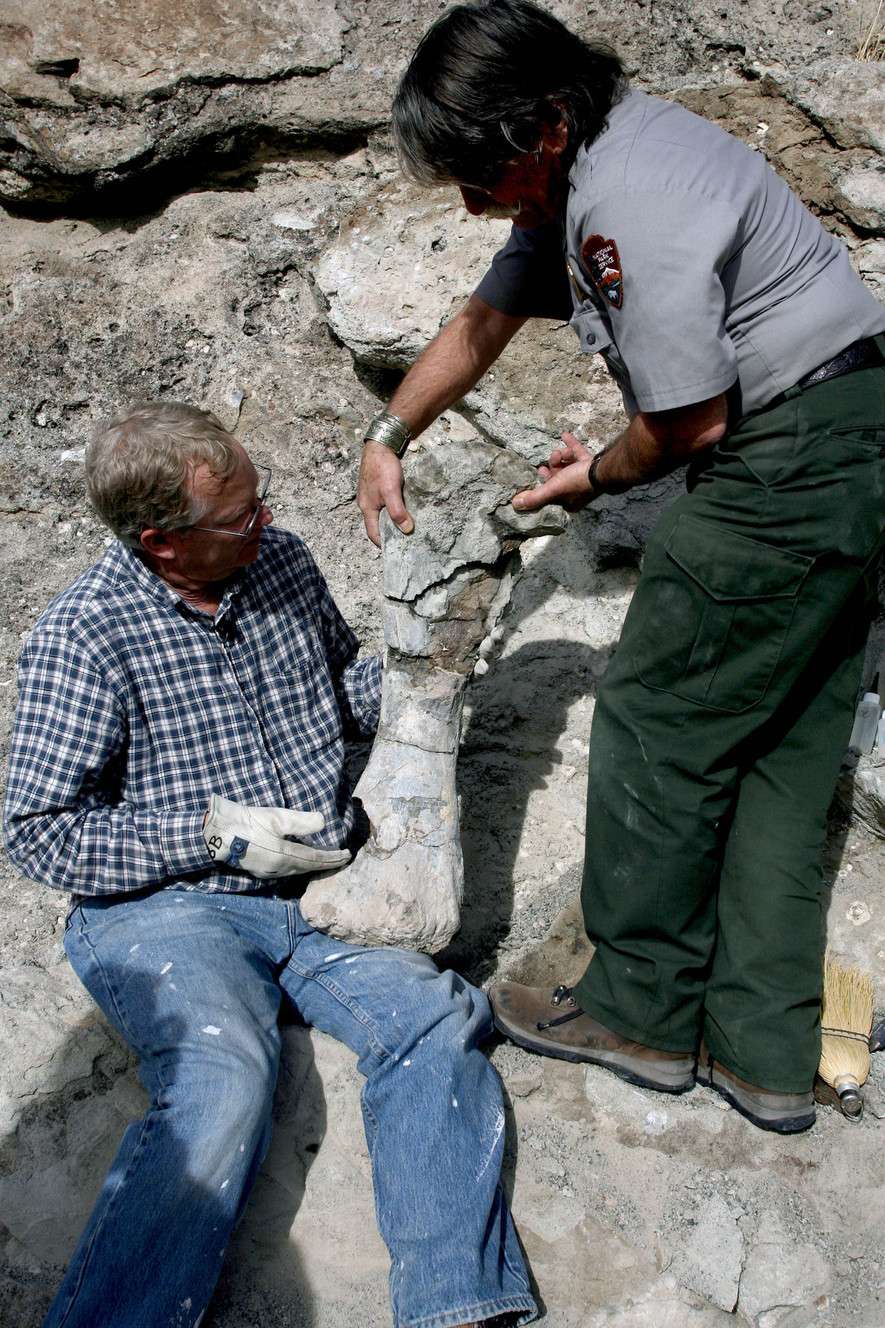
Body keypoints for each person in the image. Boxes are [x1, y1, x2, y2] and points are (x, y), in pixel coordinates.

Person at [357, 0, 885, 1133]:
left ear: (541, 123)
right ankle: (762, 1050)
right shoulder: (596, 153)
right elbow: (487, 315)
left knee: (656, 718)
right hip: (850, 441)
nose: (469, 200)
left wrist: (590, 475)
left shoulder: (624, 198)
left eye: (478, 173)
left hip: (784, 467)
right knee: (784, 752)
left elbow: (686, 424)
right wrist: (389, 433)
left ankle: (641, 1012)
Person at [3, 402, 537, 1328]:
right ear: (164, 542)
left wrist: (422, 671)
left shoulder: (277, 561)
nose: (268, 521)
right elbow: (37, 829)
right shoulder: (84, 637)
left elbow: (337, 685)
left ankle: (459, 1306)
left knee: (433, 1019)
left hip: (325, 886)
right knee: (224, 1074)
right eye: (241, 515)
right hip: (172, 910)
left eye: (261, 499)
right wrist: (210, 833)